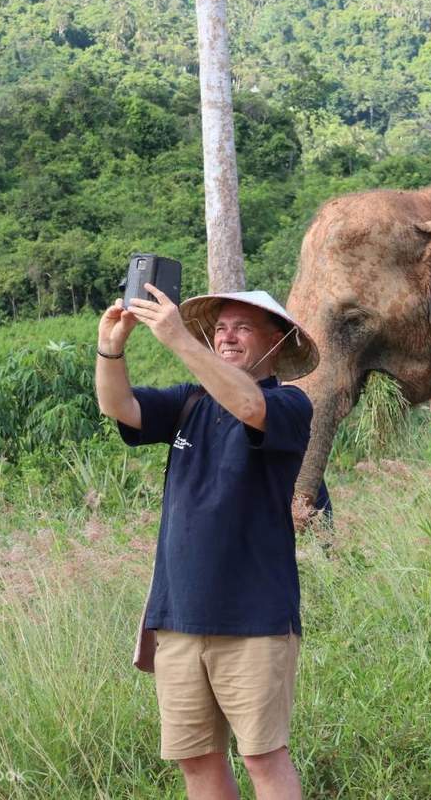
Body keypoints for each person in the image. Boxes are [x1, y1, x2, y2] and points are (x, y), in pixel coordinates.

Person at [95, 282, 321, 800]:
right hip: (176, 616)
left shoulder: (289, 404)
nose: (227, 337)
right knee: (196, 761)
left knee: (263, 756)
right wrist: (111, 346)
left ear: (277, 342)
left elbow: (248, 406)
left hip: (255, 620)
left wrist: (178, 339)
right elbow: (120, 406)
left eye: (243, 327)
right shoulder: (187, 403)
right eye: (220, 328)